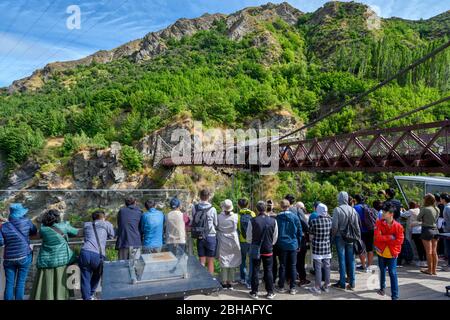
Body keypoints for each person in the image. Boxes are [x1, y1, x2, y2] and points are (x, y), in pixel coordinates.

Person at [31, 209, 79, 300]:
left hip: (46, 260)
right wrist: (67, 224)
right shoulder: (64, 226)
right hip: (61, 260)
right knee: (61, 281)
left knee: (47, 282)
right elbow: (75, 232)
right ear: (57, 218)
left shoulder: (43, 229)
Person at [0, 203, 37, 300]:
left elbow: (1, 242)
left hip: (8, 258)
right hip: (24, 256)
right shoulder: (27, 221)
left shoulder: (4, 226)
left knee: (9, 283)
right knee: (20, 283)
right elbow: (34, 231)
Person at [79, 209, 115, 300]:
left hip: (85, 252)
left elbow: (81, 233)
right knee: (97, 275)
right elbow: (112, 235)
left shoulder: (87, 225)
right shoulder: (107, 224)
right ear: (103, 217)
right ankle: (91, 294)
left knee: (85, 278)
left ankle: (87, 298)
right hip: (98, 255)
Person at [247, 201, 278, 300]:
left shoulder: (252, 220)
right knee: (268, 270)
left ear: (256, 209)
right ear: (266, 208)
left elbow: (248, 238)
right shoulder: (273, 221)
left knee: (255, 270)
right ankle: (270, 292)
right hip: (268, 248)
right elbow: (275, 237)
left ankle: (254, 292)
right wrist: (269, 244)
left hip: (256, 249)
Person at [331, 191, 361, 291]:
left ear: (339, 198)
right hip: (351, 238)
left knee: (342, 260)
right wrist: (358, 238)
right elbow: (357, 226)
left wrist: (332, 237)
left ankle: (342, 282)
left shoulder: (337, 210)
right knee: (351, 260)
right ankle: (352, 283)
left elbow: (334, 226)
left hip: (340, 237)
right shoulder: (353, 210)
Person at [374, 204, 404, 300]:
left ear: (391, 214)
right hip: (381, 252)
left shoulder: (398, 226)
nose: (382, 213)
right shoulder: (378, 223)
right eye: (382, 211)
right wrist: (391, 237)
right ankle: (382, 288)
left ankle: (395, 296)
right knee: (382, 270)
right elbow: (377, 238)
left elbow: (400, 240)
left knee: (392, 273)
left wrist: (384, 237)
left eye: (384, 212)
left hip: (392, 253)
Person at [275, 199, 302, 295]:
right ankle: (293, 288)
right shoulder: (295, 217)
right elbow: (299, 231)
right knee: (293, 266)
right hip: (293, 244)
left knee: (282, 266)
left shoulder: (277, 217)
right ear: (289, 206)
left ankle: (281, 286)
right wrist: (298, 243)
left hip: (282, 244)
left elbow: (275, 232)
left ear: (281, 207)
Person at [285, 194, 310, 286]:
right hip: (299, 239)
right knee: (300, 260)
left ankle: (289, 278)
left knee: (289, 260)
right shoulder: (298, 210)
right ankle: (302, 279)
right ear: (294, 201)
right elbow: (304, 223)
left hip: (287, 239)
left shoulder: (283, 211)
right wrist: (307, 231)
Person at [307, 203, 333, 295]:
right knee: (327, 267)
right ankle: (326, 286)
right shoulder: (330, 221)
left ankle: (317, 287)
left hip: (317, 247)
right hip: (327, 247)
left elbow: (310, 236)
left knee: (318, 268)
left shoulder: (314, 221)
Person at [191, 189, 218, 274]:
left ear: (200, 196)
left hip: (200, 236)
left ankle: (202, 280)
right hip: (211, 236)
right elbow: (216, 223)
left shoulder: (195, 207)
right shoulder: (213, 209)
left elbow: (193, 221)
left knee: (201, 260)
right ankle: (211, 281)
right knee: (210, 261)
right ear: (208, 197)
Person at [216, 199, 241, 290]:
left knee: (224, 259)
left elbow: (217, 226)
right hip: (233, 239)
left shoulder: (219, 216)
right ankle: (230, 282)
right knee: (232, 260)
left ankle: (223, 282)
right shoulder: (235, 216)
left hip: (223, 238)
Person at [417, 193, 440, 275]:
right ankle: (434, 270)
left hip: (427, 230)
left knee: (428, 252)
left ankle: (429, 270)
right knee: (434, 251)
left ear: (426, 200)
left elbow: (418, 218)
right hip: (435, 230)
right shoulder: (437, 209)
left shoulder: (425, 208)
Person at [237, 198, 256, 288]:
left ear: (238, 205)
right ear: (248, 205)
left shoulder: (238, 216)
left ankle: (243, 278)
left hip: (242, 241)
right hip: (252, 241)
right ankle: (250, 281)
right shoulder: (252, 214)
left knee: (243, 260)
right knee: (251, 261)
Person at [401, 201, 426, 267]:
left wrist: (401, 210)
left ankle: (421, 260)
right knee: (422, 246)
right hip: (422, 229)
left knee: (418, 246)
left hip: (415, 230)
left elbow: (402, 214)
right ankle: (424, 260)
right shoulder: (419, 210)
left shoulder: (410, 211)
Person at [354, 195, 374, 273]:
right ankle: (369, 266)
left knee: (361, 249)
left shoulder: (355, 208)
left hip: (361, 231)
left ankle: (363, 266)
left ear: (356, 200)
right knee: (370, 249)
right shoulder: (367, 206)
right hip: (370, 230)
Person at [441, 193, 450, 271]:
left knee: (448, 248)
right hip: (447, 230)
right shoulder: (446, 207)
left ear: (443, 199)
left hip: (448, 231)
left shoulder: (447, 207)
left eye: (441, 198)